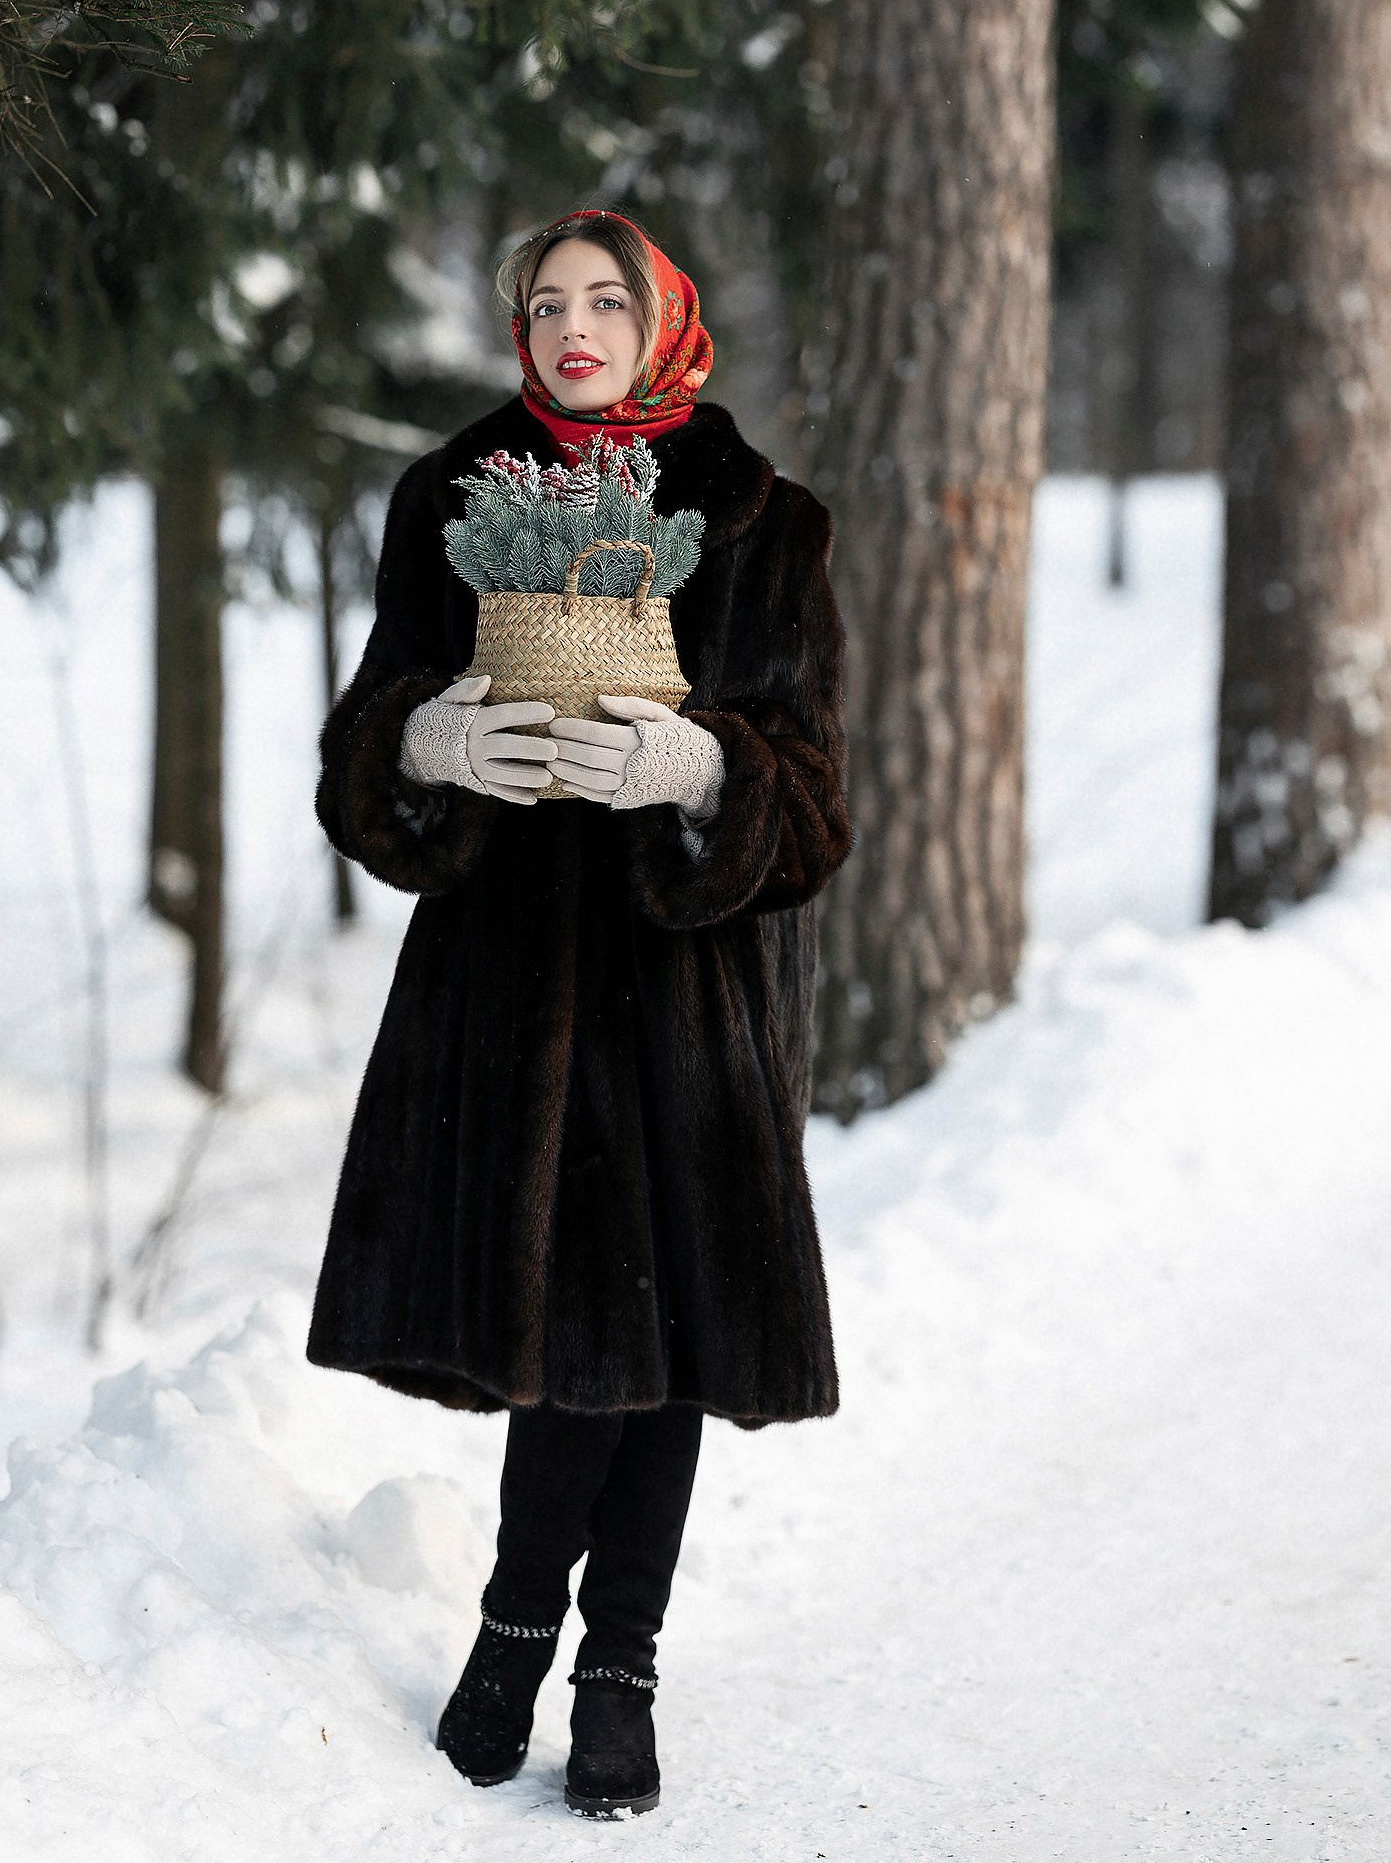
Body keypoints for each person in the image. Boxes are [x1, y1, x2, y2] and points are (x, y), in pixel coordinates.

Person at [307, 208, 852, 1818]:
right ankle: (511, 1620)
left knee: (659, 1340)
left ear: (664, 313)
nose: (573, 326)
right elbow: (361, 747)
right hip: (512, 995)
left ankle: (614, 1664)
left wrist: (706, 774)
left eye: (606, 298)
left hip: (692, 992)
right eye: (544, 302)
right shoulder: (450, 499)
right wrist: (425, 753)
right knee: (566, 1344)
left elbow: (817, 810)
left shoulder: (767, 522)